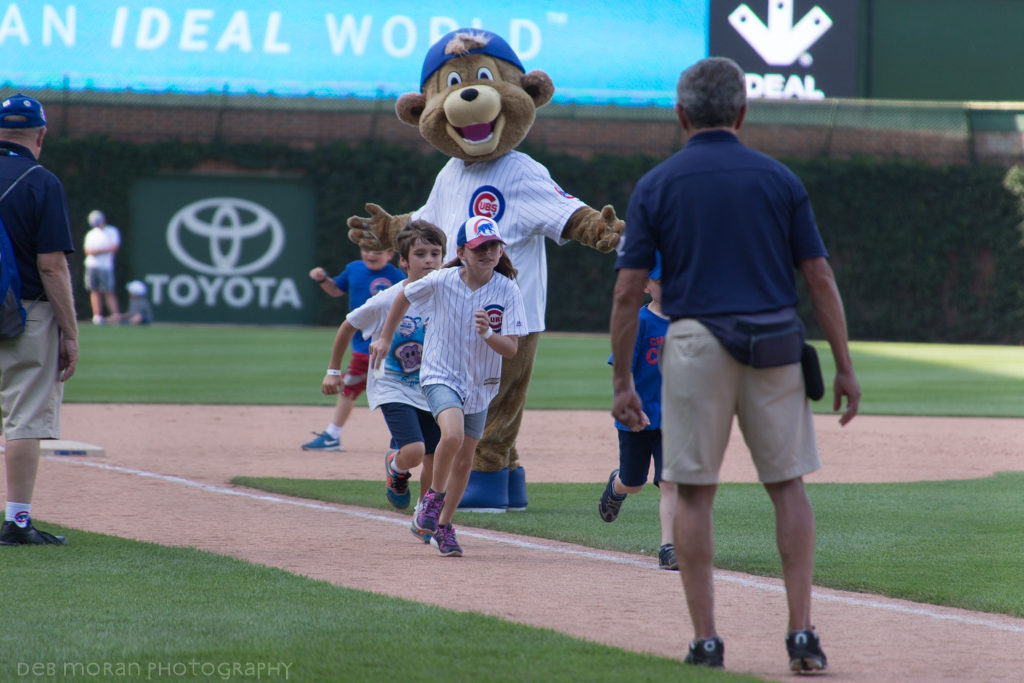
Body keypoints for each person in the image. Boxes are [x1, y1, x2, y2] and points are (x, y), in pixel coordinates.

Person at [610, 58, 861, 673]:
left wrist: (621, 381)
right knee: (788, 486)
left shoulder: (657, 184)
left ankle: (707, 642)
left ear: (681, 114)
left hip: (696, 342)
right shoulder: (780, 179)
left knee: (694, 495)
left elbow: (627, 290)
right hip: (775, 342)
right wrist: (845, 365)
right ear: (743, 113)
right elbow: (818, 276)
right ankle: (802, 636)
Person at [369, 216, 525, 556]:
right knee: (451, 436)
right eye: (479, 247)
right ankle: (432, 499)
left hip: (481, 383)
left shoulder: (508, 290)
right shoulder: (442, 280)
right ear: (462, 253)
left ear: (501, 251)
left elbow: (511, 348)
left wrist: (488, 333)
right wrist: (385, 337)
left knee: (465, 461)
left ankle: (443, 525)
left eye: (493, 246)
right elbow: (403, 296)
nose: (488, 252)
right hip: (441, 374)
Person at [321, 221, 446, 542]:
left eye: (435, 253)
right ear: (403, 260)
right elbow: (347, 326)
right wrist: (333, 370)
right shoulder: (387, 298)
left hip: (431, 386)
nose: (429, 260)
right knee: (414, 451)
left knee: (434, 458)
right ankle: (396, 466)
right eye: (420, 254)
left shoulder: (447, 294)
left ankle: (423, 515)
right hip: (392, 385)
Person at [0, 93, 78, 546]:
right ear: (41, 135)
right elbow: (52, 266)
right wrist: (70, 333)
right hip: (26, 312)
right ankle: (17, 521)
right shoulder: (41, 182)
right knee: (24, 420)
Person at [599, 253, 678, 571]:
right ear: (646, 286)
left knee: (671, 483)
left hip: (675, 419)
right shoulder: (639, 322)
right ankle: (617, 485)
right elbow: (623, 369)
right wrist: (629, 407)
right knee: (634, 482)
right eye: (661, 280)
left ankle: (669, 548)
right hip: (638, 419)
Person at [302, 247, 404, 451]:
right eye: (366, 249)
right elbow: (335, 290)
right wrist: (323, 279)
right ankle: (402, 438)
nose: (371, 254)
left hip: (381, 346)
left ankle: (333, 435)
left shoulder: (397, 276)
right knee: (390, 390)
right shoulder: (354, 268)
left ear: (390, 254)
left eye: (377, 251)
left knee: (361, 390)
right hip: (361, 345)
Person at [82, 209, 121, 324]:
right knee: (94, 290)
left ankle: (116, 316)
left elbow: (114, 247)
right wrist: (102, 250)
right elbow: (88, 251)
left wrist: (97, 251)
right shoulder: (91, 234)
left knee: (108, 290)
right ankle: (97, 316)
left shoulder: (112, 231)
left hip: (106, 266)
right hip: (91, 265)